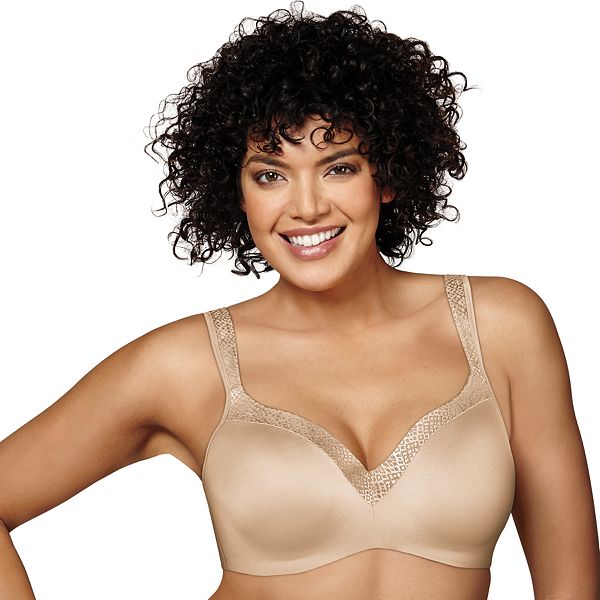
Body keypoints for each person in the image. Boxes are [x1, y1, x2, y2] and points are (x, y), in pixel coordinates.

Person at [1, 2, 599, 599]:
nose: (306, 207)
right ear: (237, 193)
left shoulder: (501, 327)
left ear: (388, 175)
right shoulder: (186, 363)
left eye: (339, 168)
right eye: (270, 174)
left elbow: (572, 585)